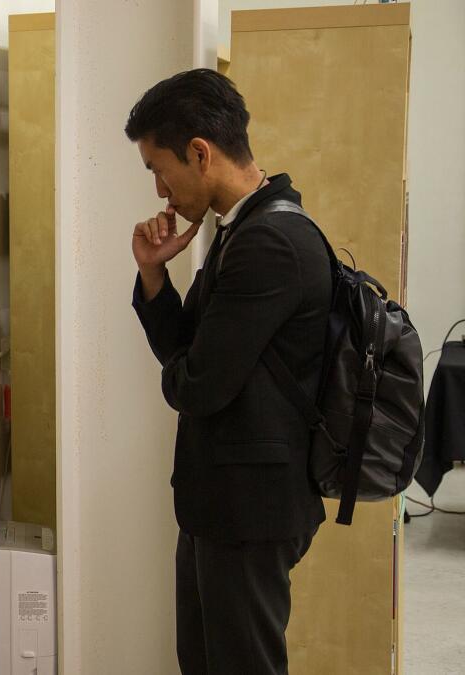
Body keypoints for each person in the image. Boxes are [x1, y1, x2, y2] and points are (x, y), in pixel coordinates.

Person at [125, 68, 330, 674]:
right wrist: (154, 276)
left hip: (250, 511)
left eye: (159, 169)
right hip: (222, 507)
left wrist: (182, 378)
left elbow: (198, 385)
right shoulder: (241, 230)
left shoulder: (270, 243)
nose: (161, 191)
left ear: (199, 152)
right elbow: (188, 350)